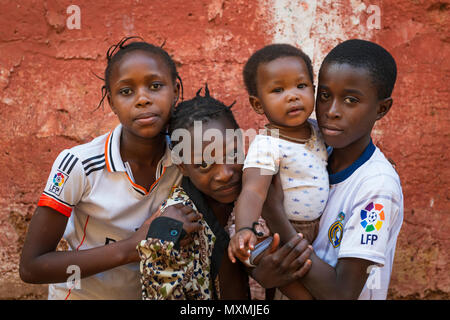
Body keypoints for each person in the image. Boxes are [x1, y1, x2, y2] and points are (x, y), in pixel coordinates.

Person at [19, 37, 187, 299]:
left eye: (155, 86)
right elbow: (32, 267)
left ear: (175, 90)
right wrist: (132, 248)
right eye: (126, 91)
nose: (142, 99)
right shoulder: (80, 164)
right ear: (111, 103)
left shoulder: (186, 162)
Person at [258, 39, 404, 300]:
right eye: (324, 96)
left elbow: (342, 294)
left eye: (350, 100)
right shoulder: (308, 148)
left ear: (381, 109)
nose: (331, 111)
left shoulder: (377, 188)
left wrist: (273, 213)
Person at [137, 86, 313, 300]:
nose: (224, 174)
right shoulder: (174, 227)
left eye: (232, 154)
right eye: (203, 164)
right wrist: (260, 275)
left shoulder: (260, 191)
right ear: (183, 167)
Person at [227, 44, 328, 299]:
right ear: (258, 104)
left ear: (314, 90)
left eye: (301, 86)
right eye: (278, 90)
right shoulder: (267, 144)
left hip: (317, 229)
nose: (292, 96)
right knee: (287, 274)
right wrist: (243, 229)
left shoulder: (318, 130)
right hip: (278, 232)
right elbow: (252, 191)